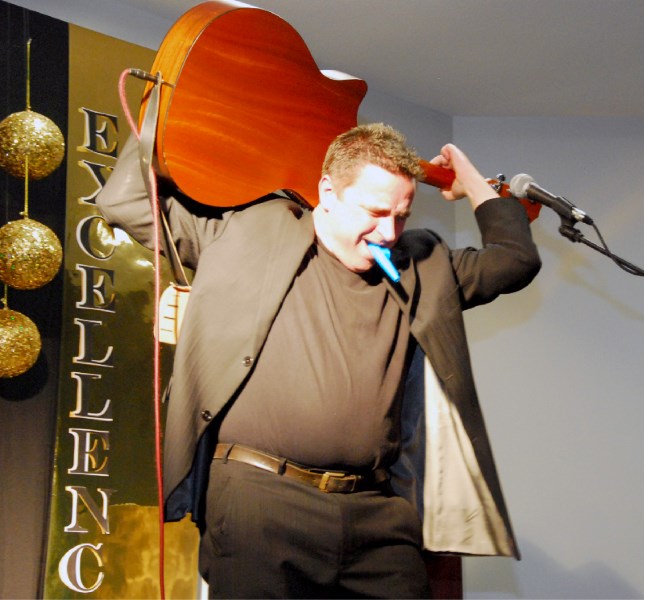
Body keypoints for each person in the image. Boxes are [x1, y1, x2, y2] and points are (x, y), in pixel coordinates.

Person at [97, 123, 541, 598]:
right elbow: (127, 204)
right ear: (327, 192)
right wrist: (167, 109)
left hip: (377, 513)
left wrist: (473, 182)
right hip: (261, 501)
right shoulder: (248, 233)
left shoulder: (420, 265)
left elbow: (515, 260)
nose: (388, 232)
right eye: (373, 212)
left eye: (401, 216)